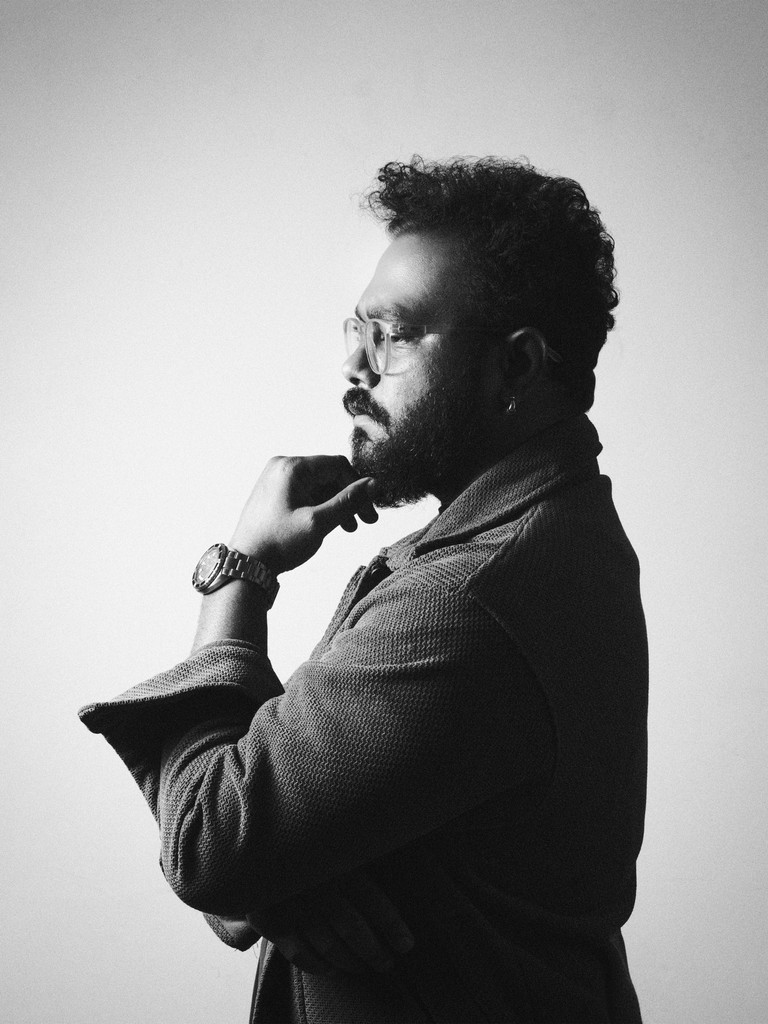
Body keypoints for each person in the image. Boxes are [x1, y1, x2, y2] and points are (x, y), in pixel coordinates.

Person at [80, 156, 648, 1023]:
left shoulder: (468, 600)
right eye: (356, 325)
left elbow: (206, 841)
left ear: (516, 368)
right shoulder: (556, 531)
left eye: (393, 333)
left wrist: (241, 571)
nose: (353, 364)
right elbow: (282, 825)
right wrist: (288, 872)